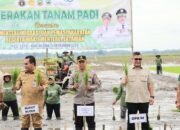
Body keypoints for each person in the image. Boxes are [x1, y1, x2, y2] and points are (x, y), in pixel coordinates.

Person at [12, 55, 48, 130]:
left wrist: (42, 87)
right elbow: (18, 84)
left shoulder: (40, 73)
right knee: (24, 122)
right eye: (24, 64)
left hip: (36, 103)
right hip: (25, 103)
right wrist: (15, 88)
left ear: (33, 64)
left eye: (26, 64)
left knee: (37, 122)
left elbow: (46, 84)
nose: (24, 65)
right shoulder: (22, 73)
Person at [121, 52, 154, 130]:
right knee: (131, 122)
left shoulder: (146, 70)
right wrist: (124, 81)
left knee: (145, 122)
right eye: (136, 59)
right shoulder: (127, 70)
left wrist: (152, 96)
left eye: (140, 59)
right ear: (132, 59)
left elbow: (150, 84)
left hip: (144, 100)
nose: (138, 61)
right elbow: (122, 83)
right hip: (131, 100)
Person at [68, 55, 101, 130]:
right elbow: (68, 86)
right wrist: (73, 87)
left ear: (86, 62)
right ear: (77, 63)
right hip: (78, 101)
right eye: (80, 62)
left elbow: (98, 84)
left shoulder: (92, 72)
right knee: (78, 123)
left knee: (91, 122)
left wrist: (91, 87)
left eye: (83, 62)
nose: (81, 63)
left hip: (89, 101)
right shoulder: (73, 73)